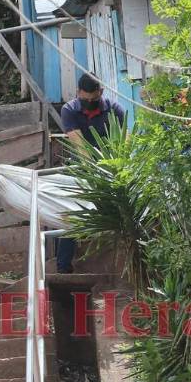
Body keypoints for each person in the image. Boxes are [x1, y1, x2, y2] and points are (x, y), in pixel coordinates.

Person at [58, 73, 126, 273]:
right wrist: (93, 173)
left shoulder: (115, 110)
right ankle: (63, 267)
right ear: (78, 92)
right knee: (71, 212)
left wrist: (111, 170)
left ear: (101, 92)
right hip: (82, 169)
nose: (89, 103)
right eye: (85, 99)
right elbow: (80, 146)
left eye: (93, 99)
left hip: (111, 168)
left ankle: (119, 265)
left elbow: (122, 143)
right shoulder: (69, 110)